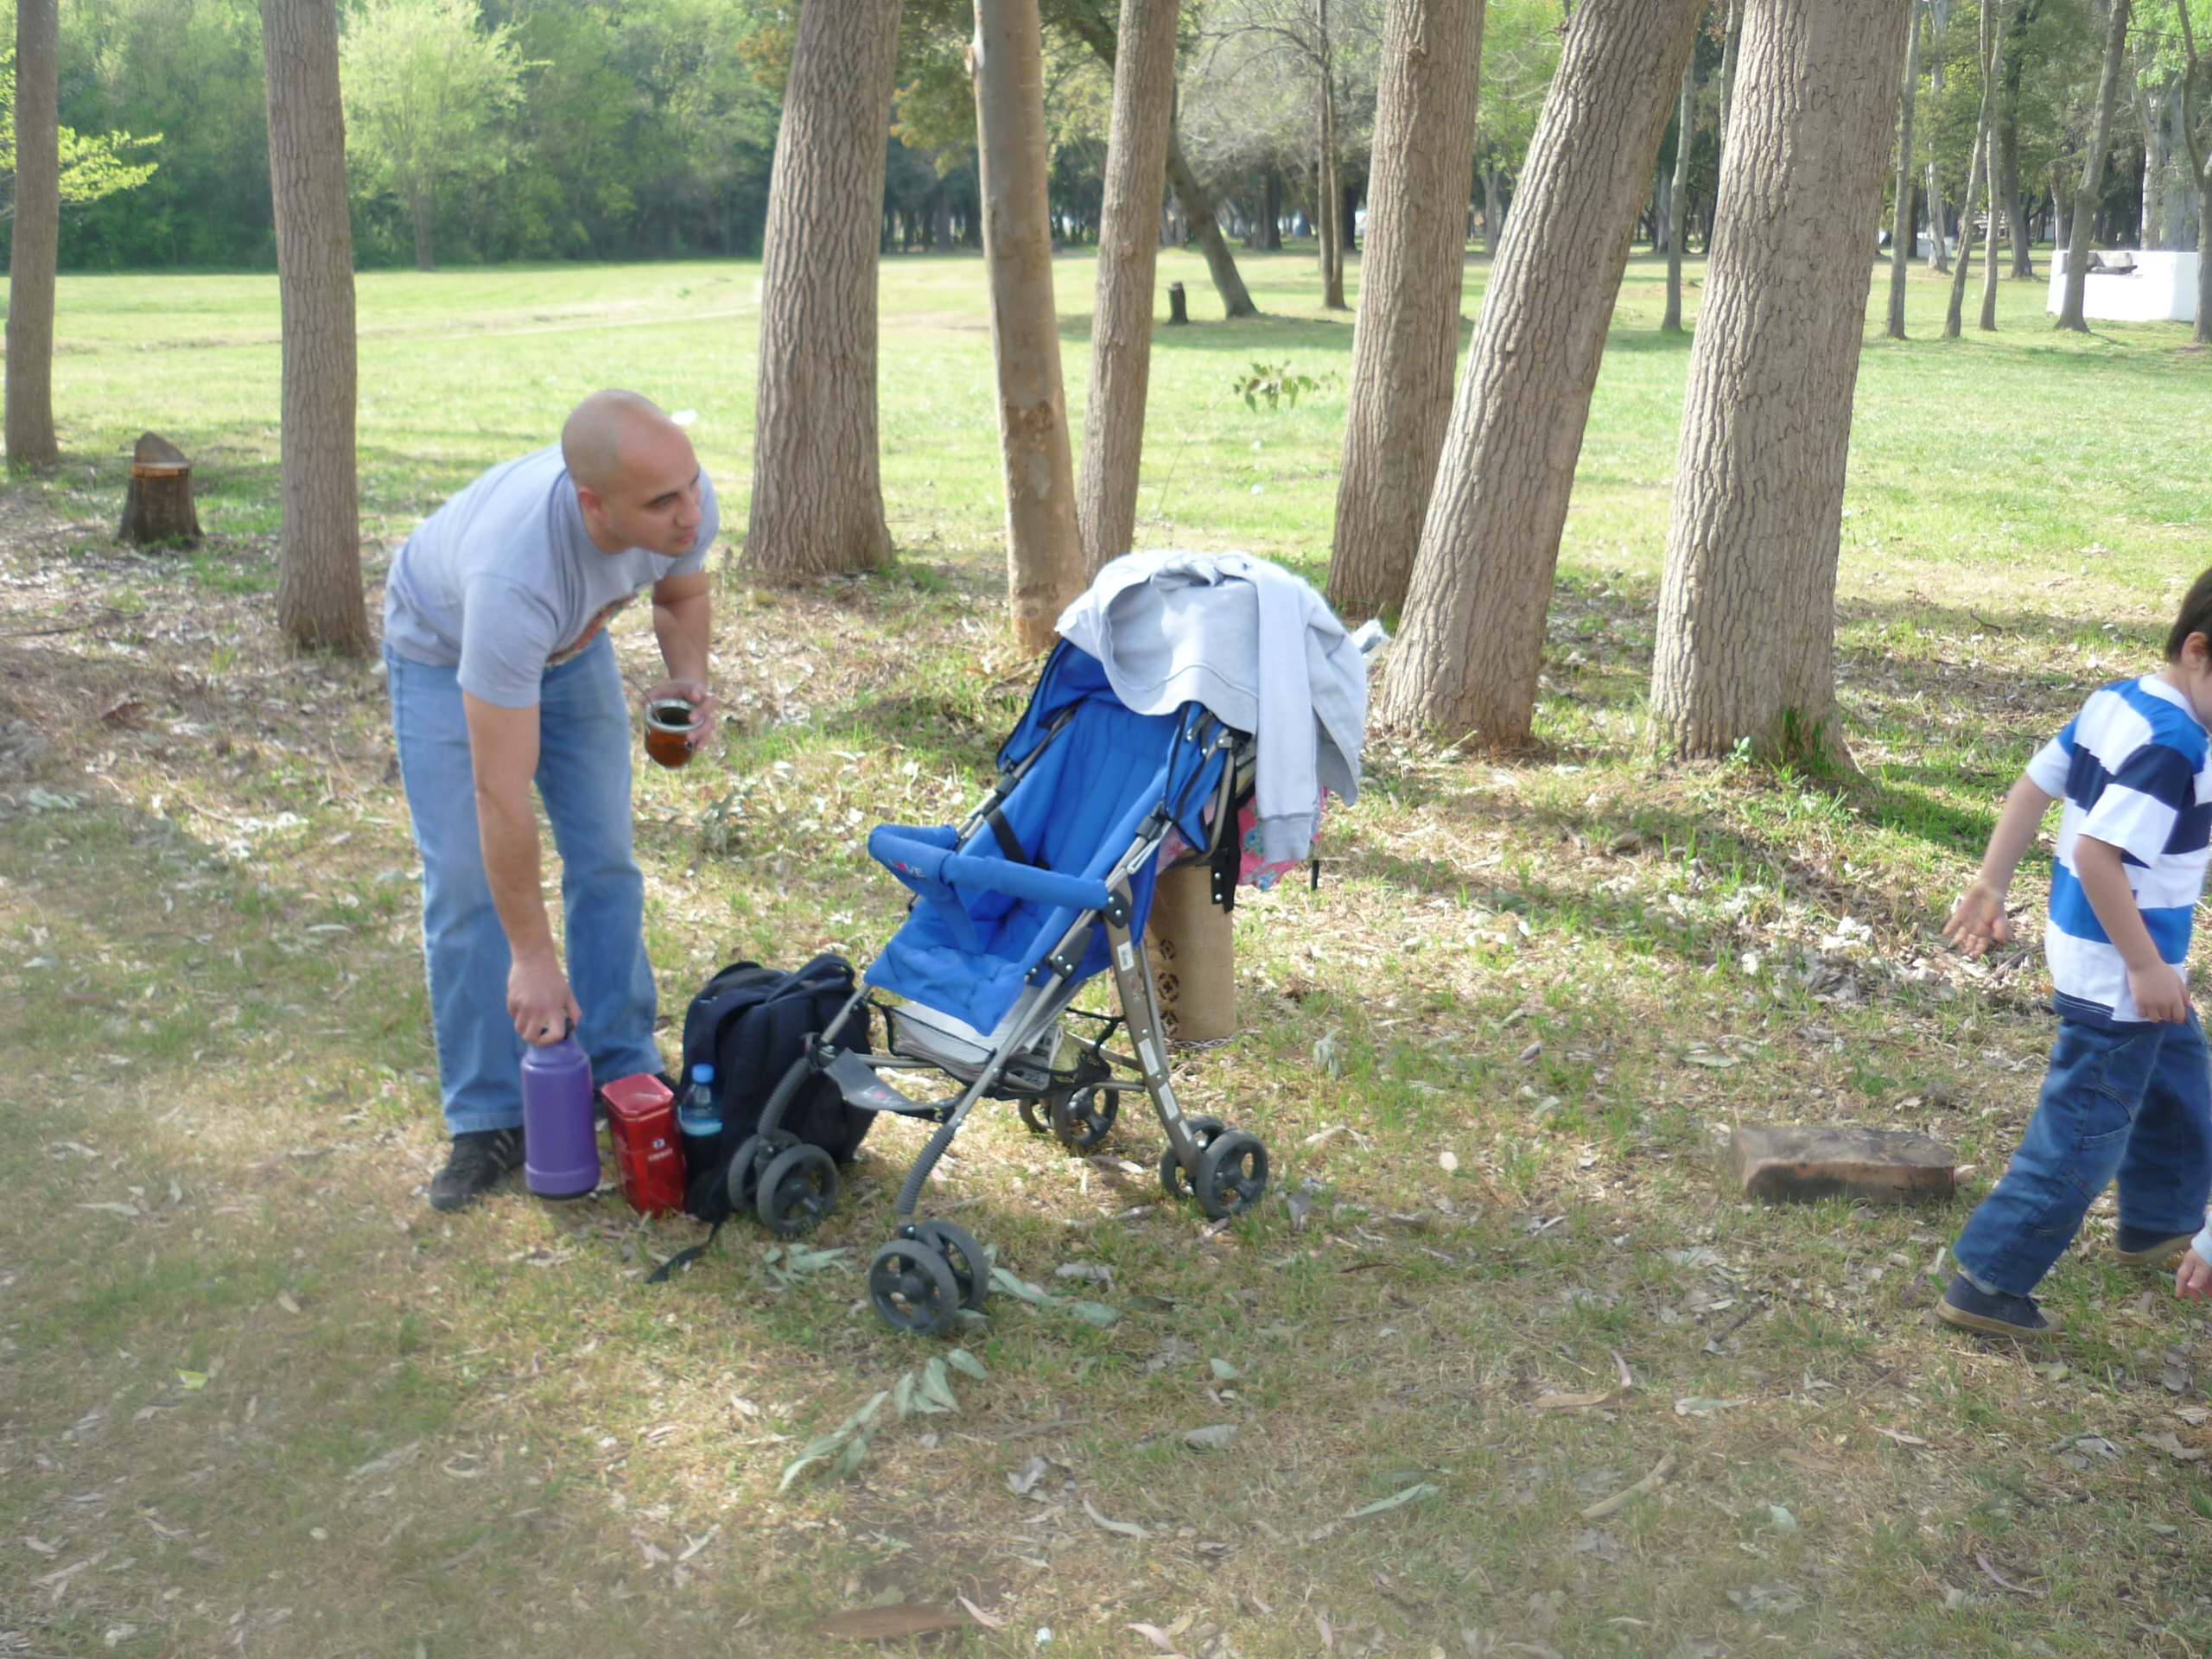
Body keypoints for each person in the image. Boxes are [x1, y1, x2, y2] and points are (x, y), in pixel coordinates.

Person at [382, 391, 718, 1211]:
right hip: (446, 651)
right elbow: (502, 796)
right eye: (663, 501)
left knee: (605, 856)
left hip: (573, 650)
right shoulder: (515, 575)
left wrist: (690, 676)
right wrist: (533, 956)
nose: (690, 514)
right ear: (593, 504)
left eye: (692, 485)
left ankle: (624, 1066)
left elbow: (680, 596)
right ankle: (489, 1116)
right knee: (465, 880)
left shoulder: (684, 502)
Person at [1939, 569, 2212, 1338]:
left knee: (2178, 1075)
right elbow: (2098, 857)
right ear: (2199, 650)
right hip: (2123, 967)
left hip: (2106, 954)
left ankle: (2159, 1219)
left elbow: (2033, 787)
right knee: (2084, 1134)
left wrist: (1992, 883)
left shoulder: (2117, 701)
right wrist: (2145, 967)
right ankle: (1988, 1282)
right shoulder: (2175, 744)